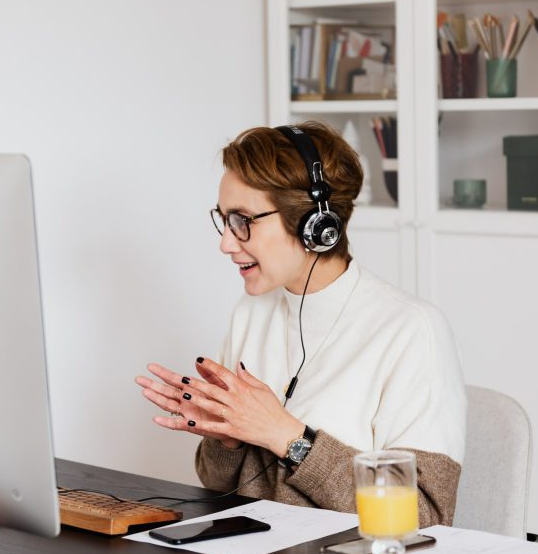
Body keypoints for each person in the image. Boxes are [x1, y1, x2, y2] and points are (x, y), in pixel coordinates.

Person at [135, 121, 467, 527]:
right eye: (223, 220)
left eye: (243, 221)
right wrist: (227, 439)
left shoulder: (411, 330)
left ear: (315, 224)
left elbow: (425, 517)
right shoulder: (250, 313)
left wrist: (287, 436)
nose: (225, 242)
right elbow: (219, 485)